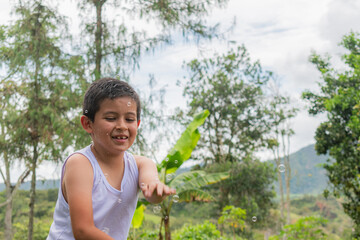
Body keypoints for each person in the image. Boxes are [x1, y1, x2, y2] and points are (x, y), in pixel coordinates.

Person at [47, 77, 175, 240]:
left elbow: (151, 193)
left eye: (129, 119)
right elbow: (83, 230)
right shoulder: (80, 164)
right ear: (88, 124)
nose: (122, 126)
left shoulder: (142, 164)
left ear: (137, 124)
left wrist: (157, 191)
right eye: (111, 118)